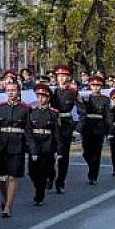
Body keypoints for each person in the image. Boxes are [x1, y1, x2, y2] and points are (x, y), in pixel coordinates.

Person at [26, 84, 61, 206]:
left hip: (48, 145)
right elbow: (29, 131)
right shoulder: (31, 112)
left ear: (48, 98)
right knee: (32, 171)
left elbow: (56, 132)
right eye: (38, 96)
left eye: (43, 97)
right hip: (35, 145)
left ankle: (39, 195)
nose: (40, 99)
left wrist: (59, 150)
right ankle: (41, 185)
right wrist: (31, 146)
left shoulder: (53, 113)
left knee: (46, 170)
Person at [49, 65, 80, 194]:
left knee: (63, 156)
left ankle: (60, 181)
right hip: (52, 126)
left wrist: (77, 128)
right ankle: (50, 177)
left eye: (64, 76)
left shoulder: (73, 93)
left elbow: (81, 110)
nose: (61, 79)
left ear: (68, 78)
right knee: (49, 153)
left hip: (66, 126)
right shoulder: (52, 92)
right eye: (59, 76)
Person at [80, 75, 112, 184]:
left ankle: (93, 176)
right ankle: (92, 166)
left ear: (101, 86)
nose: (95, 87)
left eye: (98, 85)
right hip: (87, 127)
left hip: (99, 127)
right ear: (90, 86)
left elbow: (108, 115)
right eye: (93, 85)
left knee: (96, 153)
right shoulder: (85, 98)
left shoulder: (105, 99)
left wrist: (109, 130)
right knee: (86, 152)